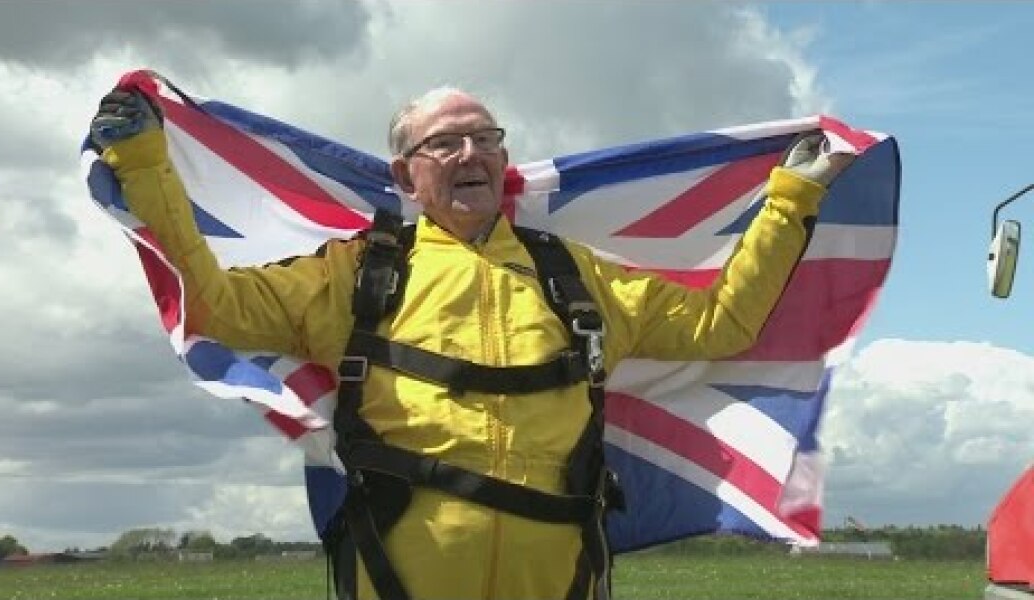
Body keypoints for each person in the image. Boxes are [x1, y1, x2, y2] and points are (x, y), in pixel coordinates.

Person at [90, 84, 853, 600]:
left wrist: (792, 198)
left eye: (485, 139)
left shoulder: (573, 275)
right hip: (397, 575)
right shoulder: (356, 275)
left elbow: (720, 325)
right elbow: (216, 307)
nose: (470, 154)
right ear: (406, 174)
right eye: (446, 143)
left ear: (503, 159)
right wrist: (145, 163)